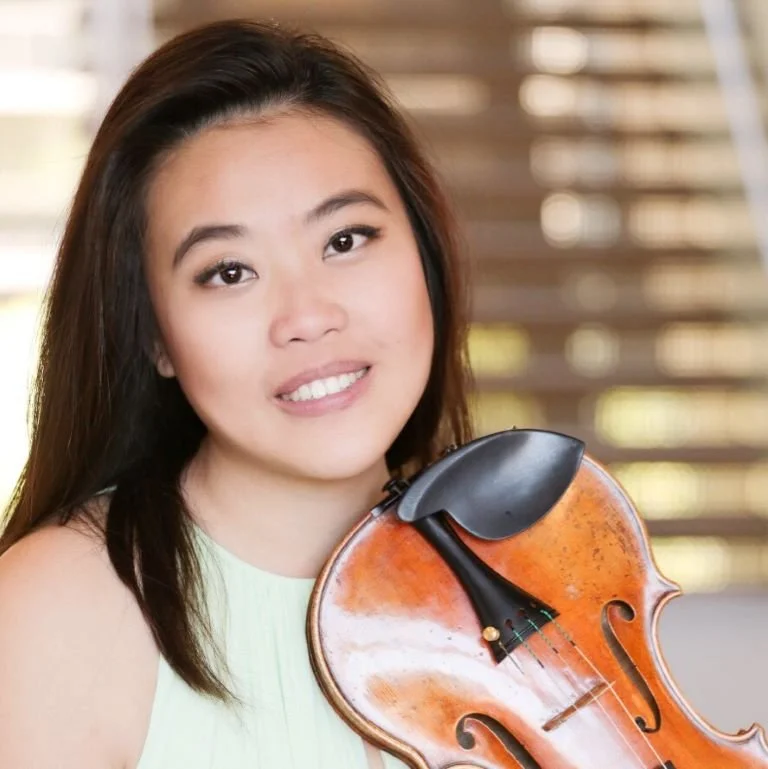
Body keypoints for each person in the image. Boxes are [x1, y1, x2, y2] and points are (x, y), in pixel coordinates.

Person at [0, 18, 474, 769]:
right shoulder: (57, 610)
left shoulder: (528, 572)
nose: (307, 317)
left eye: (345, 240)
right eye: (229, 272)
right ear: (155, 335)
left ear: (425, 253)